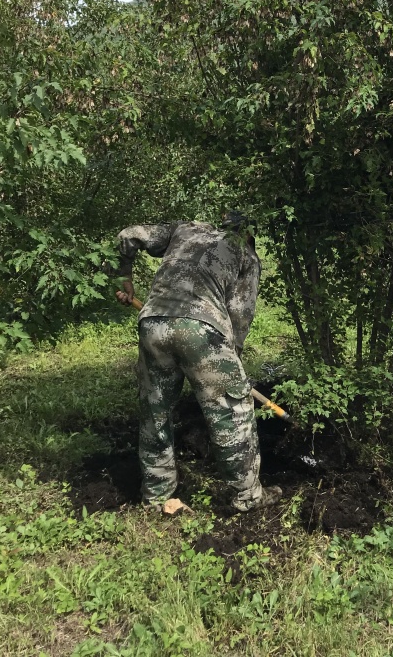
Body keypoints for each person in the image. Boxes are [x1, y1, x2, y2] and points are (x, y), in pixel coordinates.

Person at [114, 211, 282, 513]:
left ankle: (156, 497)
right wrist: (233, 363)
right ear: (249, 235)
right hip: (202, 328)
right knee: (231, 411)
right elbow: (239, 315)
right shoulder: (245, 253)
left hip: (152, 323)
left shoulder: (186, 230)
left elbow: (130, 234)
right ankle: (248, 496)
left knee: (156, 411)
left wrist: (123, 275)